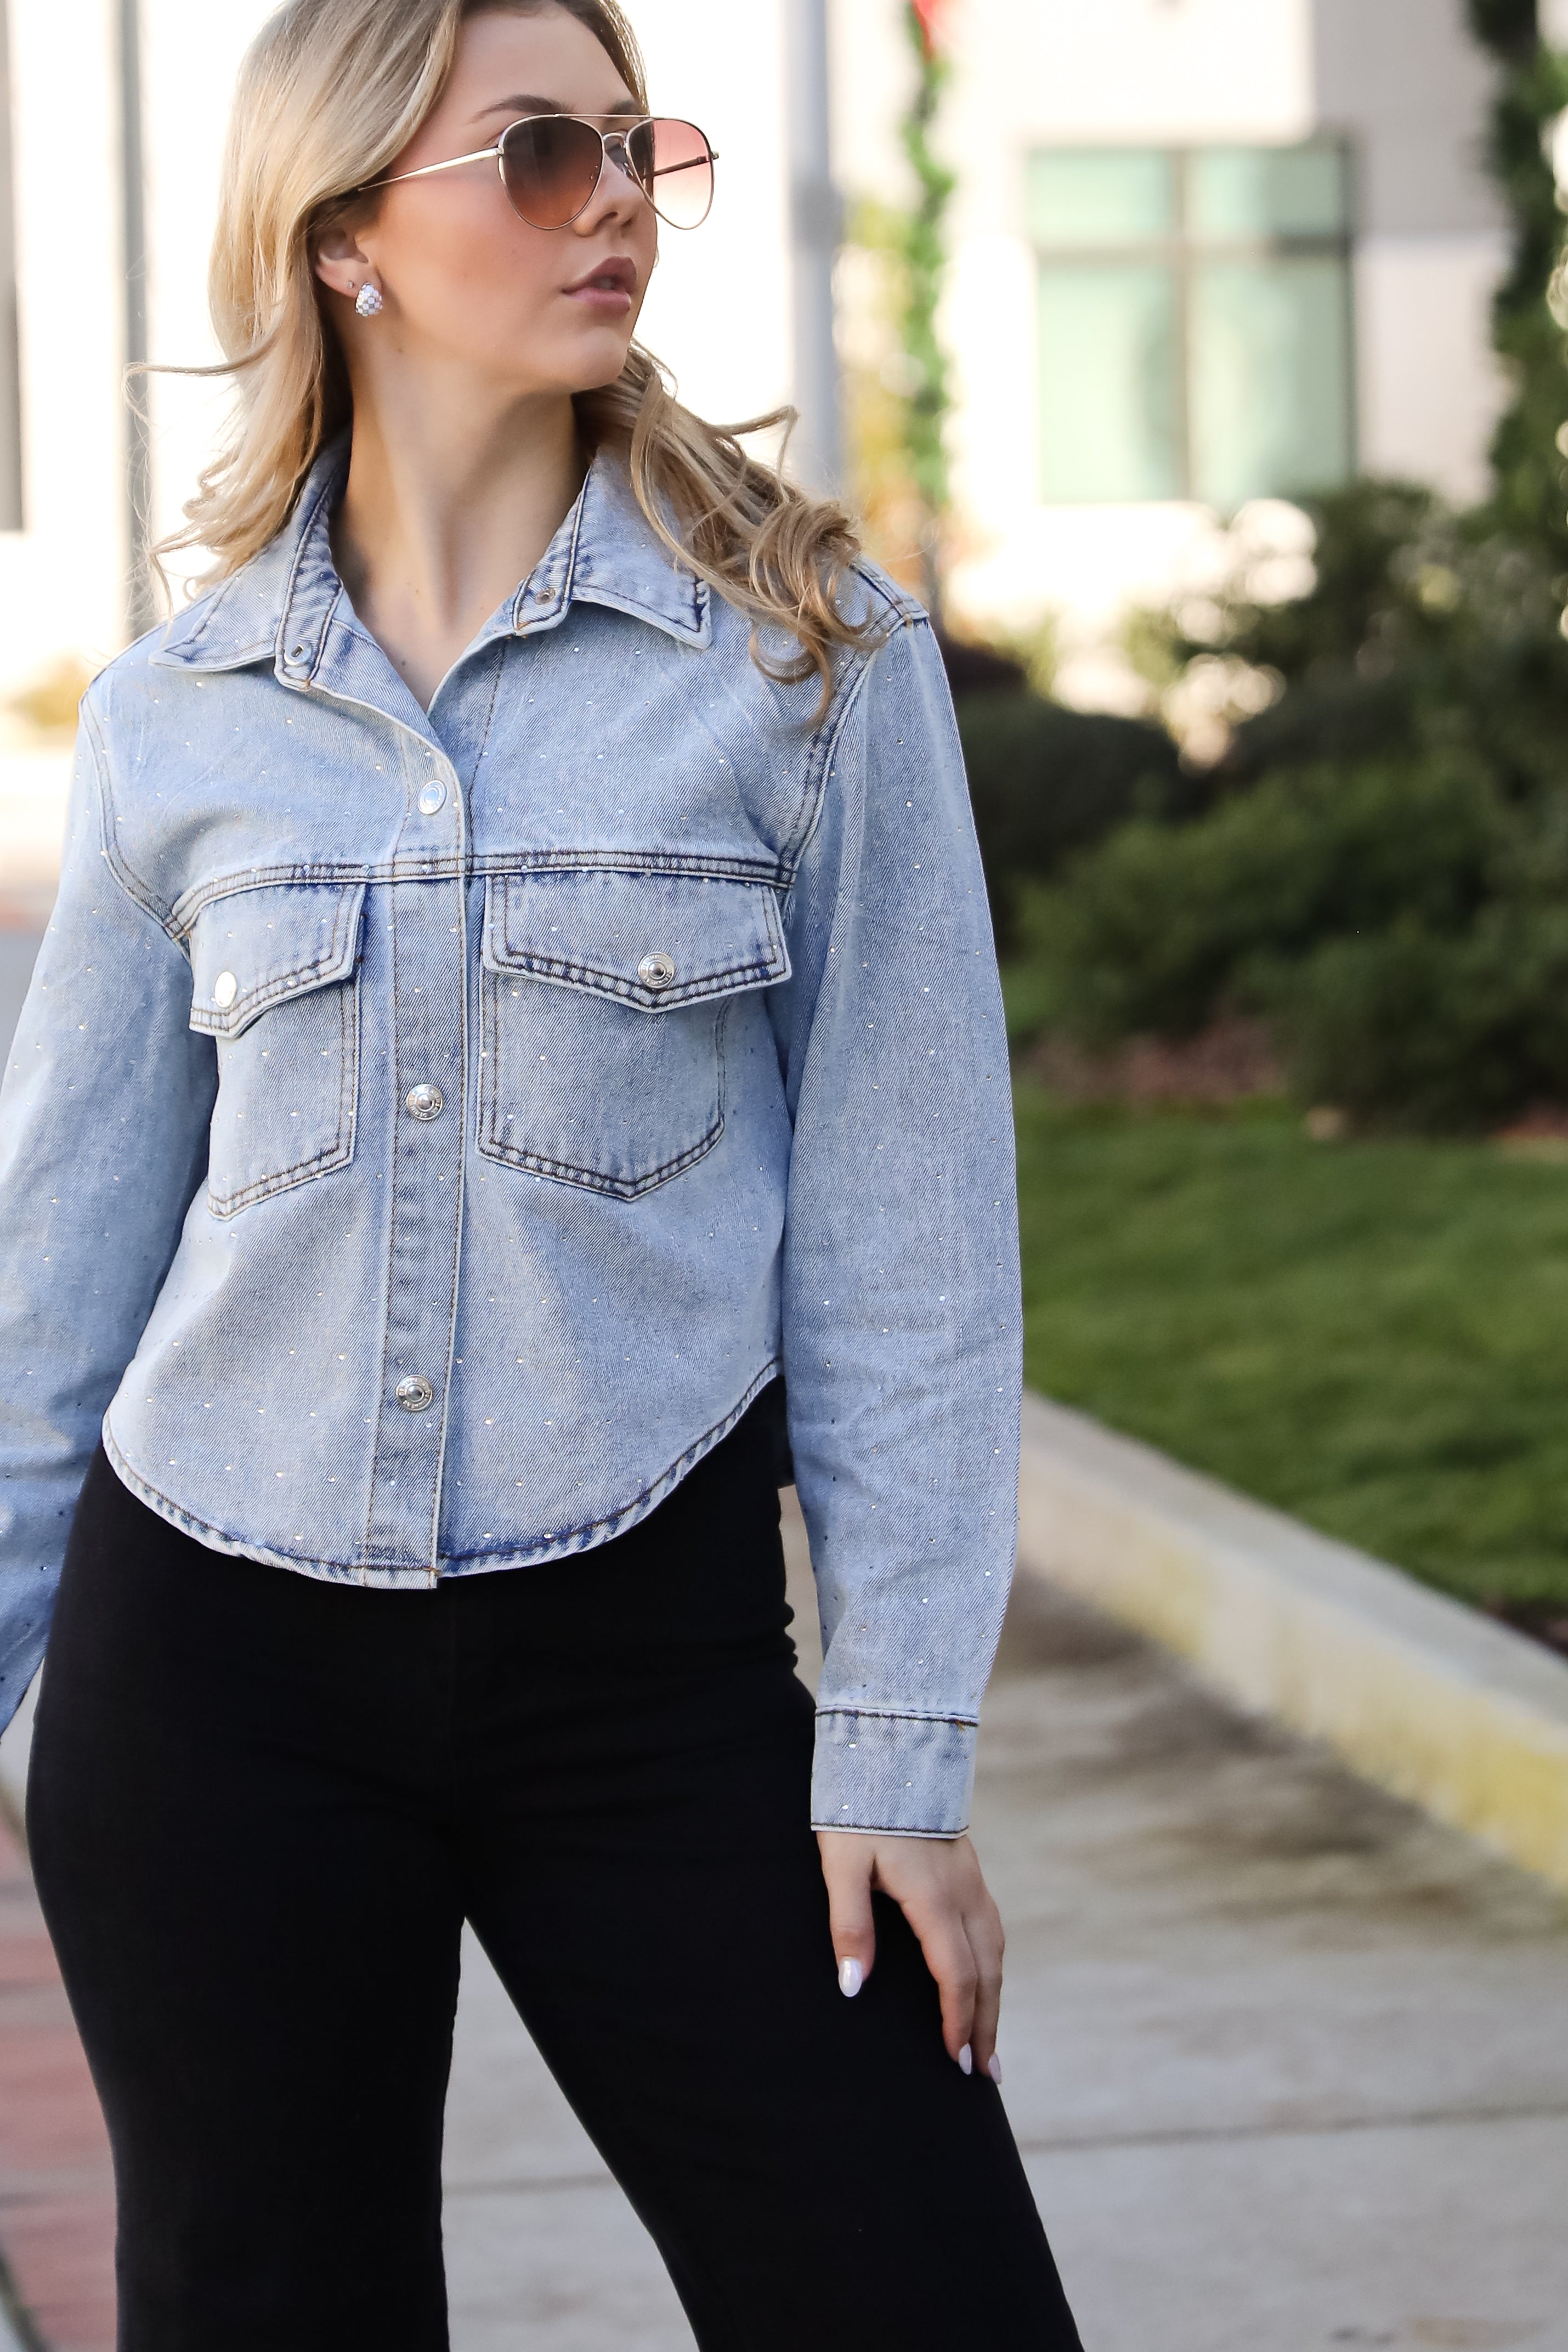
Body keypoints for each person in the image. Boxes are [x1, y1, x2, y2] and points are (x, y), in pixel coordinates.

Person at [0, 2, 1083, 2344]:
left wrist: (895, 1736)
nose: (614, 205)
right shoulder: (180, 714)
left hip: (659, 1668)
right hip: (214, 1676)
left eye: (635, 147)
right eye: (537, 154)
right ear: (344, 242)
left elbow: (906, 1246)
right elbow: (58, 1279)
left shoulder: (811, 656)